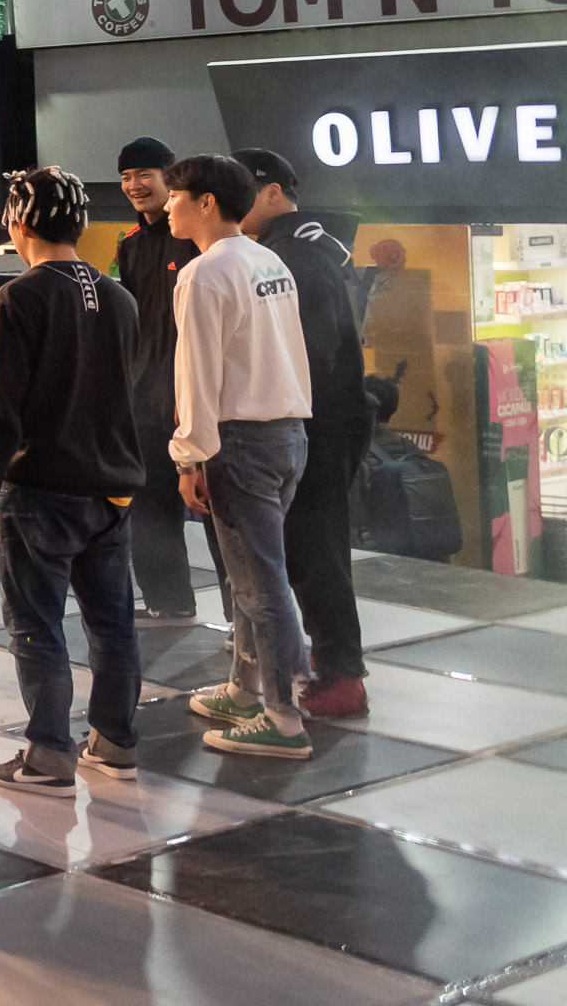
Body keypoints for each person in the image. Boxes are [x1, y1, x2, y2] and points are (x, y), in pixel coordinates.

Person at [0, 168, 147, 794]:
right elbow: (109, 386)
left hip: (42, 489)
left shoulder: (18, 297)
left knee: (37, 624)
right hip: (112, 488)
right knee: (112, 621)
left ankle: (48, 755)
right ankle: (116, 741)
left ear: (17, 224)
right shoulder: (120, 298)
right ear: (83, 223)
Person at [169, 152, 317, 759]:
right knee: (252, 575)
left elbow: (196, 375)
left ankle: (283, 717)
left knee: (260, 583)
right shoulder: (268, 259)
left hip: (240, 442)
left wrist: (189, 456)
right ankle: (245, 686)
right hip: (287, 433)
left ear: (206, 202)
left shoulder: (203, 274)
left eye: (177, 195)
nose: (169, 204)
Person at [236, 146, 374, 721]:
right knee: (310, 549)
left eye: (239, 191)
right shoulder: (302, 248)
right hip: (323, 419)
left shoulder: (292, 256)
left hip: (315, 422)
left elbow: (309, 354)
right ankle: (331, 662)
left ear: (273, 193)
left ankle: (343, 675)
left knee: (314, 550)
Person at [114, 136, 203, 620]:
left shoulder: (193, 240)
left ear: (169, 176)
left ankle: (243, 623)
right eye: (126, 178)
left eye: (144, 175)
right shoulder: (129, 246)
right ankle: (168, 604)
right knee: (148, 508)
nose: (134, 185)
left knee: (214, 509)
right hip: (143, 399)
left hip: (195, 395)